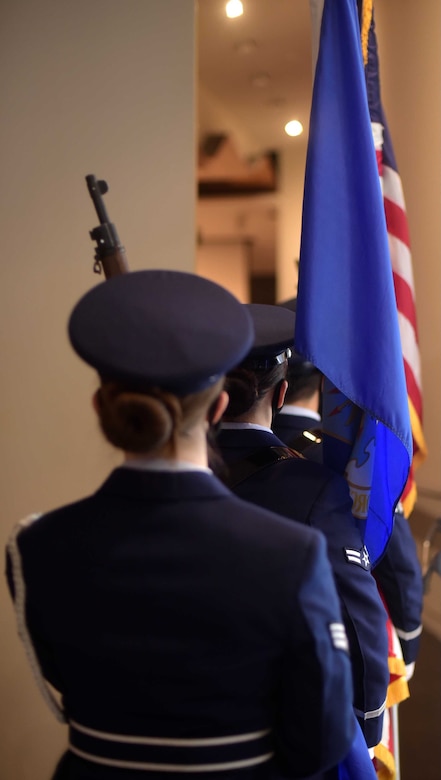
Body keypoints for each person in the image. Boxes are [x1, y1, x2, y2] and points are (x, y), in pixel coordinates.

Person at [6, 270, 355, 780]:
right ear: (218, 408)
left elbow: (66, 678)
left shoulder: (36, 546)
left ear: (102, 408)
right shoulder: (291, 553)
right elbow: (321, 738)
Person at [216, 303, 390, 753]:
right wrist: (367, 731)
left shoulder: (175, 472)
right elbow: (357, 617)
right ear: (280, 394)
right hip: (276, 734)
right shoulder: (313, 488)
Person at [275, 299, 423, 675]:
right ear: (328, 380)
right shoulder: (349, 461)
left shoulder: (226, 455)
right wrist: (406, 647)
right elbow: (398, 567)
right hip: (341, 659)